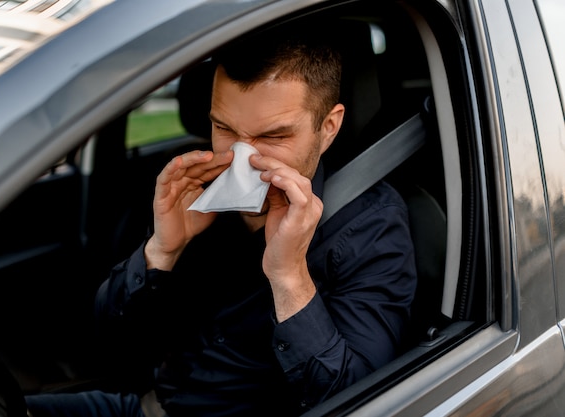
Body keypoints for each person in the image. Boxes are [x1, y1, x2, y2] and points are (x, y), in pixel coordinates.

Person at [26, 27, 417, 417]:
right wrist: (162, 250)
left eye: (274, 136)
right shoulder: (196, 188)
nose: (243, 159)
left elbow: (359, 401)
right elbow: (112, 345)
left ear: (327, 127)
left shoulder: (371, 227)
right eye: (225, 129)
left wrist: (289, 279)